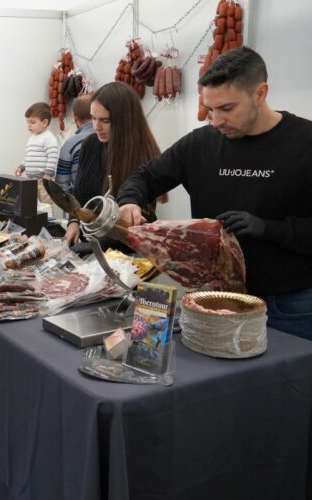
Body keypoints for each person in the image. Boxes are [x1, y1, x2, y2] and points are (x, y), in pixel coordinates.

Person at [117, 46, 312, 340]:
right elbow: (146, 176)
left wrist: (268, 229)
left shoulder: (304, 143)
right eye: (210, 110)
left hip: (289, 304)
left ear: (260, 93)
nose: (216, 120)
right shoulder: (200, 144)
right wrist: (129, 199)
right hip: (215, 300)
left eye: (227, 108)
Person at [65, 81, 161, 246]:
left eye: (105, 120)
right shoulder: (90, 143)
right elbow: (79, 193)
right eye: (93, 118)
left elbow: (138, 220)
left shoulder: (142, 155)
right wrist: (74, 220)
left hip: (126, 252)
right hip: (90, 247)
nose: (96, 127)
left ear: (124, 120)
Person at [14, 102, 59, 206]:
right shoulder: (32, 139)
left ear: (44, 123)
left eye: (32, 122)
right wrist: (22, 167)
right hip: (31, 182)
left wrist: (48, 174)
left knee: (46, 205)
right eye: (27, 122)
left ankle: (48, 221)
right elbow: (29, 157)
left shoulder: (49, 138)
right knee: (33, 206)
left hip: (44, 182)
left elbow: (53, 157)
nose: (29, 125)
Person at [56, 94, 94, 193]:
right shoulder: (112, 139)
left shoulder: (70, 144)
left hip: (80, 204)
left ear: (75, 117)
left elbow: (62, 185)